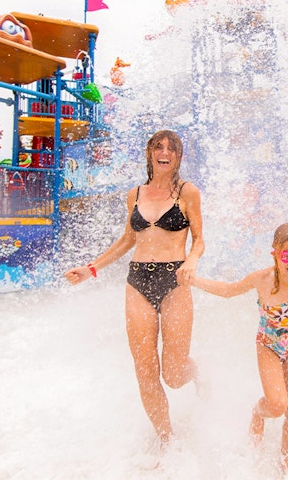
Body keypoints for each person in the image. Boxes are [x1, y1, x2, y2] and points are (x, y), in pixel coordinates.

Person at [64, 129, 204, 445]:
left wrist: (192, 260)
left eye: (171, 148)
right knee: (145, 370)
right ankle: (168, 442)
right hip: (138, 281)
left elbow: (199, 240)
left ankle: (196, 372)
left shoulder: (188, 192)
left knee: (173, 374)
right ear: (149, 153)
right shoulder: (135, 194)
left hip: (175, 281)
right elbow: (128, 239)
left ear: (178, 157)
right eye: (158, 146)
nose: (164, 152)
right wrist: (91, 269)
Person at [191, 223, 288, 480]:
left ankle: (285, 456)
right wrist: (194, 280)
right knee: (278, 404)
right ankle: (258, 413)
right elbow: (227, 291)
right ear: (275, 255)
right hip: (268, 346)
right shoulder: (262, 279)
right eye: (287, 257)